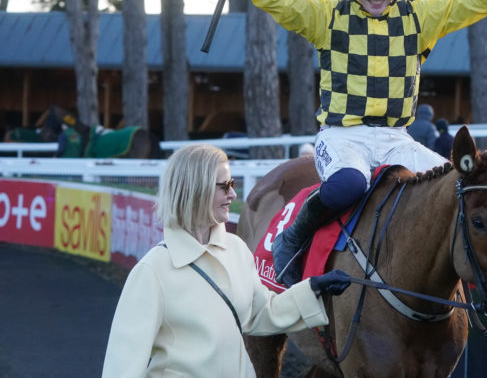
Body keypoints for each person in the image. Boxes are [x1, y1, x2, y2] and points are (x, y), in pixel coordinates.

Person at [240, 0, 487, 285]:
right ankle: (293, 237)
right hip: (343, 136)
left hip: (397, 139)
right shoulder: (326, 16)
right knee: (350, 184)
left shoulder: (419, 18)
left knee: (457, 187)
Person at [102, 144, 350, 377]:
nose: (233, 193)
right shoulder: (151, 271)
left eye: (231, 184)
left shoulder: (236, 249)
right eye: (224, 186)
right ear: (194, 190)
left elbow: (260, 314)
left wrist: (312, 290)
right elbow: (123, 366)